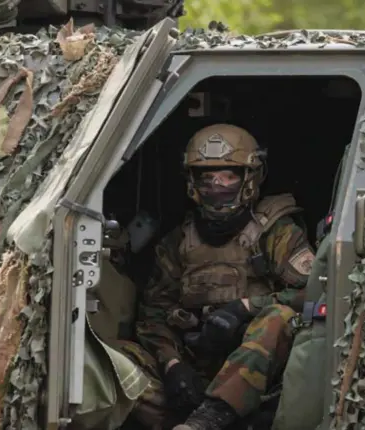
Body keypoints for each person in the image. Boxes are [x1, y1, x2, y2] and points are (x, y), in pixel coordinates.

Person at [118, 124, 316, 430]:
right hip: (196, 362)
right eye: (206, 177)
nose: (216, 185)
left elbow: (314, 293)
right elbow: (153, 314)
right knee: (119, 359)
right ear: (192, 182)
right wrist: (173, 365)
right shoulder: (178, 243)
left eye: (227, 176)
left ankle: (214, 416)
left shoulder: (276, 232)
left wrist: (246, 308)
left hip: (260, 371)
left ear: (249, 179)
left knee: (278, 317)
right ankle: (200, 417)